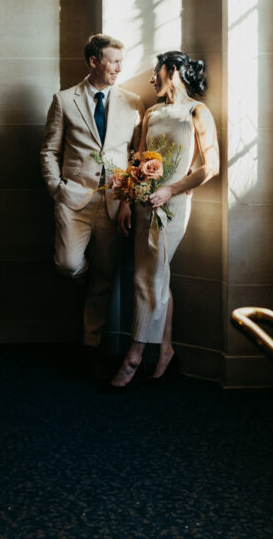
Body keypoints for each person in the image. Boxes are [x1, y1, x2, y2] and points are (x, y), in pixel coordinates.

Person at [106, 50, 219, 390]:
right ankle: (166, 352)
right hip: (142, 202)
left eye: (156, 71)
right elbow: (138, 157)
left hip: (173, 206)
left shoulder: (197, 112)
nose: (151, 78)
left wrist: (171, 190)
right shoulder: (152, 112)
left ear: (173, 71)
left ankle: (134, 357)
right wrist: (126, 201)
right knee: (157, 277)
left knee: (146, 277)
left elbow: (210, 167)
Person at [40, 33, 143, 376]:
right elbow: (49, 151)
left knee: (105, 278)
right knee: (68, 264)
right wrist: (57, 189)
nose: (119, 68)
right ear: (94, 62)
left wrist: (128, 198)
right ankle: (88, 292)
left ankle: (91, 346)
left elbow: (135, 155)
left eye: (121, 62)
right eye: (113, 62)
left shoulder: (132, 103)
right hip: (73, 200)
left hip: (114, 203)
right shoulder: (64, 100)